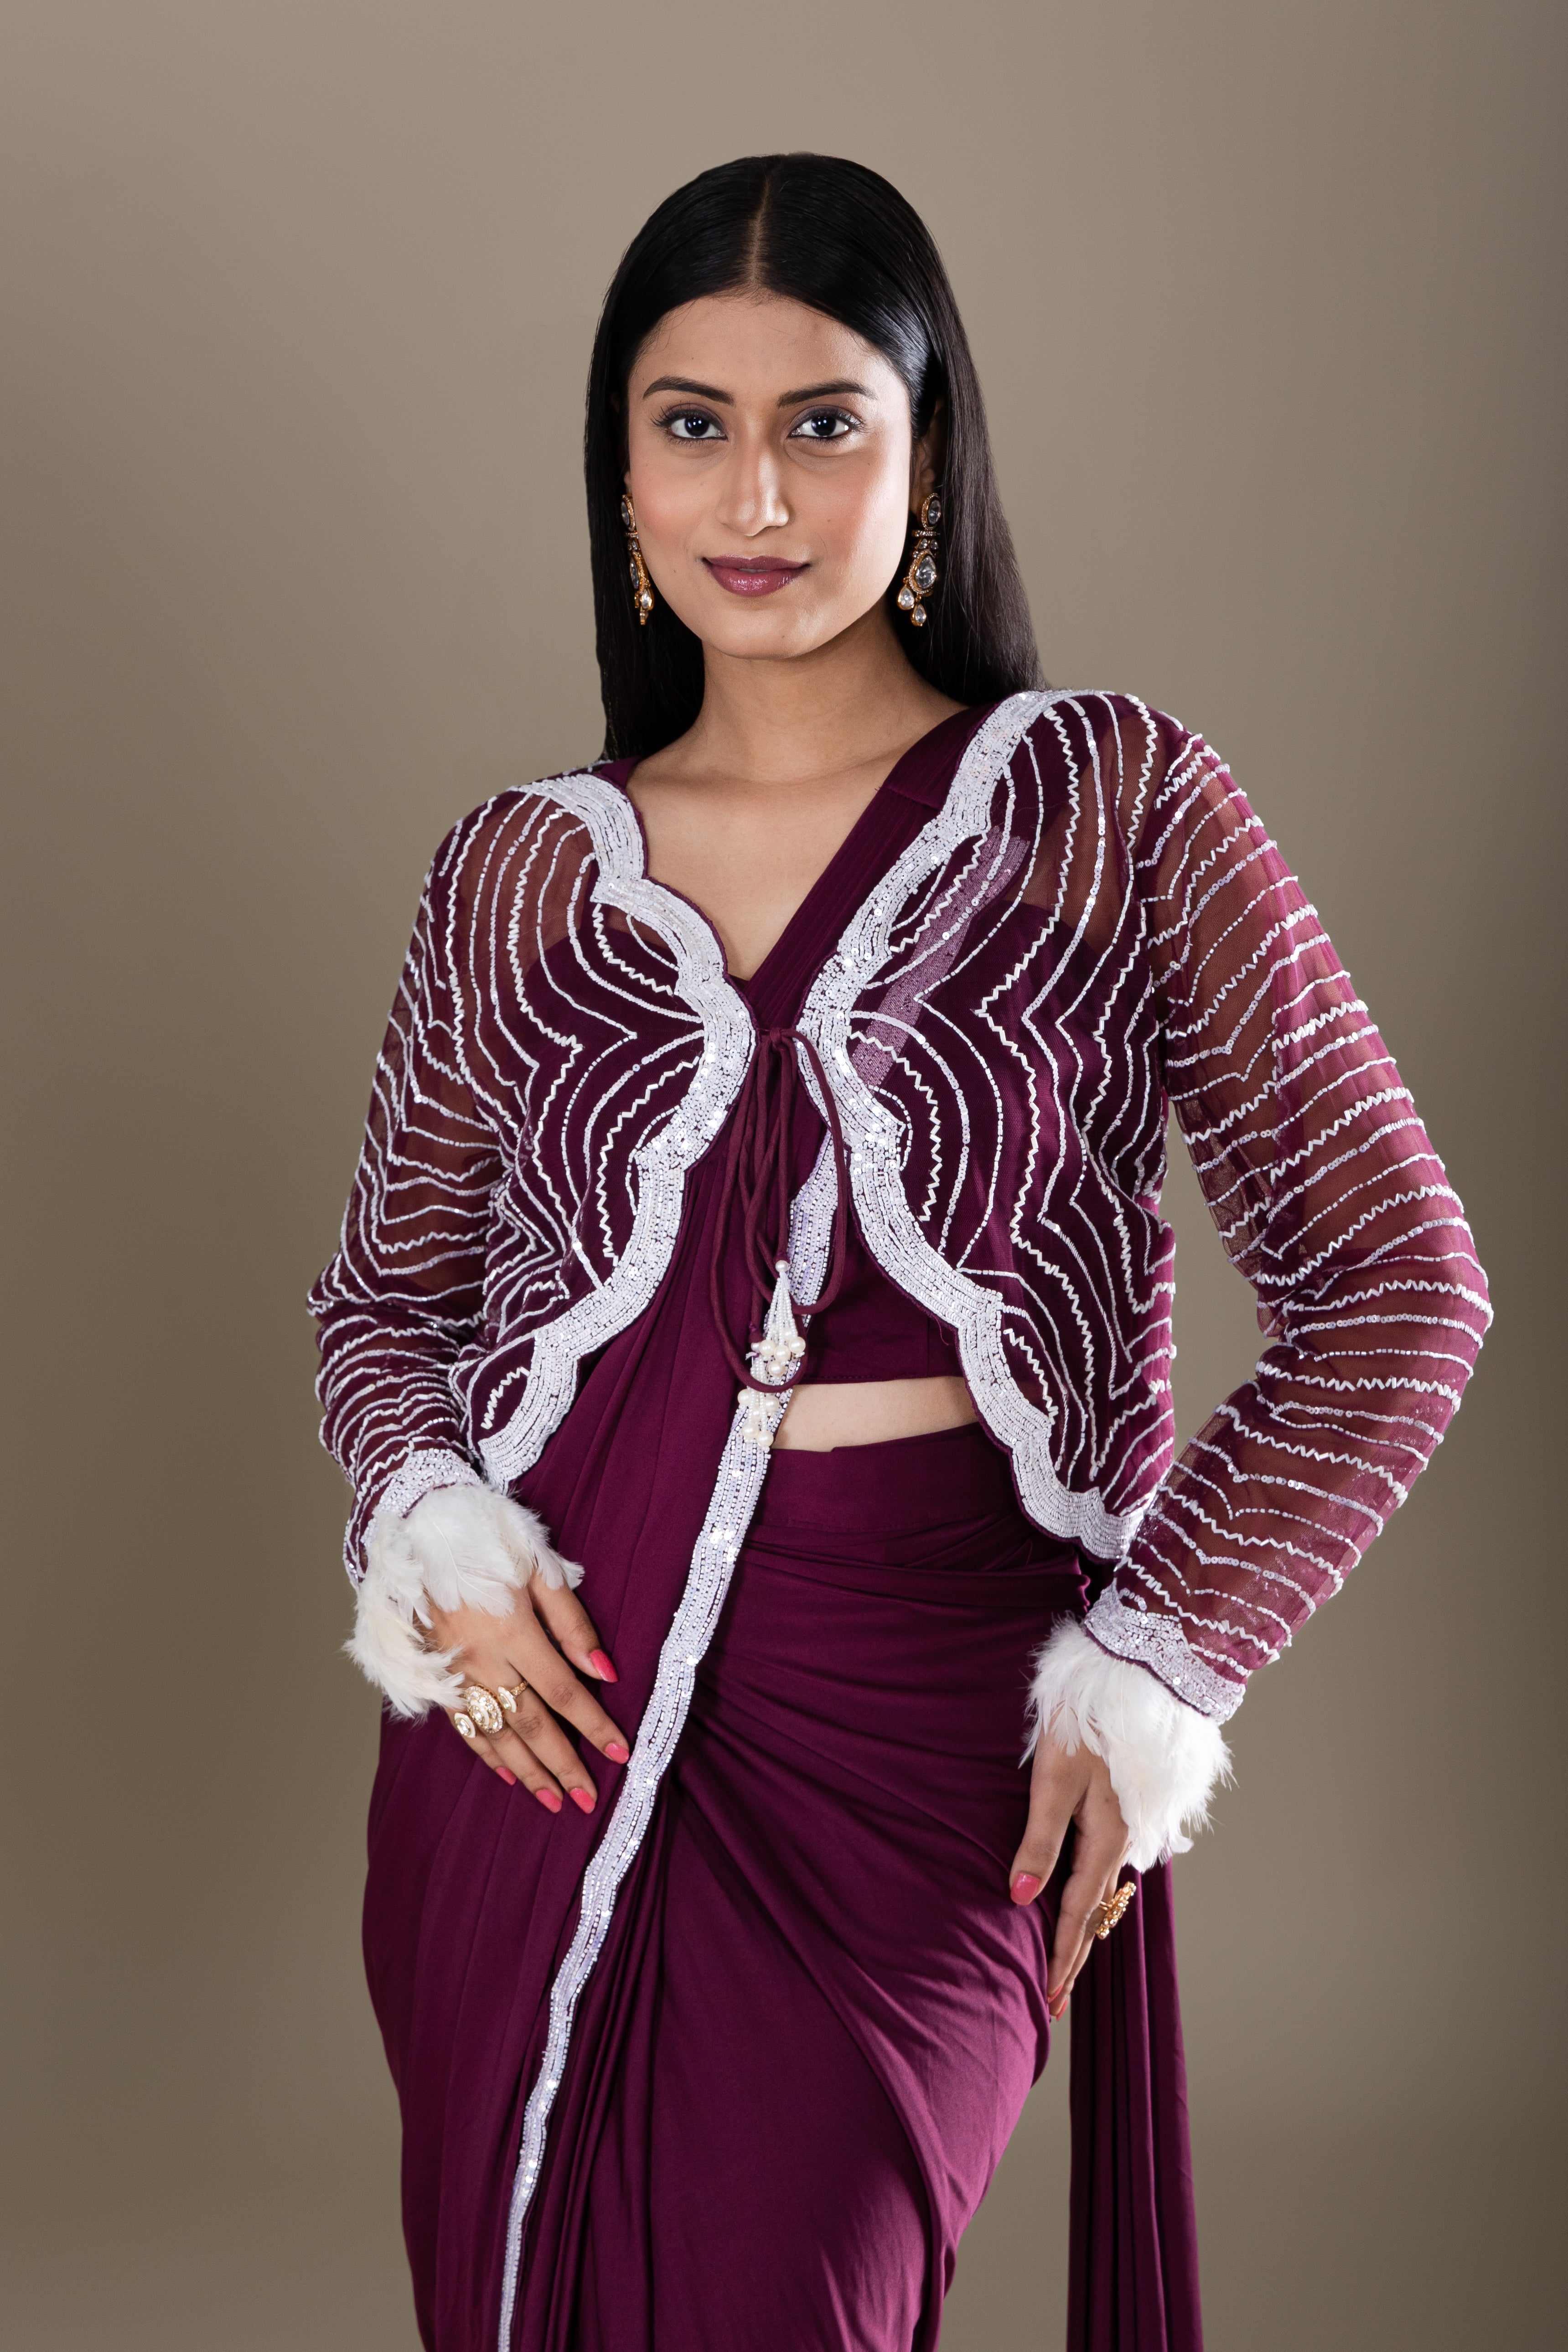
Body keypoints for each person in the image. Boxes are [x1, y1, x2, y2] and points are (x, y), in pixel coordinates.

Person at [309, 154, 1487, 2352]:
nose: (753, 493)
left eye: (824, 423)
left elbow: (1396, 1289)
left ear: (927, 459)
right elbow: (384, 1303)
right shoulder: (516, 875)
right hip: (545, 1728)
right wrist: (433, 1533)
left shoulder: (1106, 806)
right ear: (620, 472)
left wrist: (1160, 1656)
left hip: (922, 1742)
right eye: (689, 424)